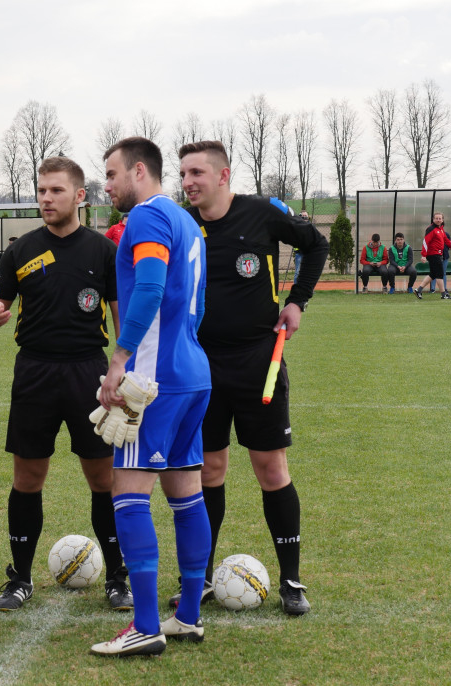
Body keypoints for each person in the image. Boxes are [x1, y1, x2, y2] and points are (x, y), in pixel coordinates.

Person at [177, 140, 328, 616]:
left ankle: (291, 581)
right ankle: (198, 579)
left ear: (223, 176)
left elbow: (316, 243)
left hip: (259, 361)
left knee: (271, 469)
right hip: (200, 365)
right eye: (182, 174)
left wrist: (298, 301)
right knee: (208, 470)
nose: (188, 182)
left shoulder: (262, 213)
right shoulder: (181, 225)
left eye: (197, 173)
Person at [0, 156, 132, 612]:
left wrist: (120, 366)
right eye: (42, 191)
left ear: (79, 196)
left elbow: (119, 310)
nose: (46, 199)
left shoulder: (103, 251)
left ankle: (118, 578)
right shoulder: (22, 249)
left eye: (56, 191)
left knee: (103, 478)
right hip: (35, 372)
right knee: (28, 477)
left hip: (90, 373)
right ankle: (20, 578)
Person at [86, 136, 212, 658]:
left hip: (155, 378)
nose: (107, 185)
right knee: (186, 492)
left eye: (112, 174)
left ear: (140, 171)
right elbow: (194, 302)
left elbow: (152, 288)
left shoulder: (145, 218)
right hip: (192, 371)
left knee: (128, 491)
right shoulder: (187, 221)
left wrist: (120, 360)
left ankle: (144, 625)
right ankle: (186, 617)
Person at [416, 212, 451, 300]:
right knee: (440, 274)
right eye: (436, 218)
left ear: (442, 220)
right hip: (433, 254)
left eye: (440, 218)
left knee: (433, 274)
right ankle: (443, 294)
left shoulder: (441, 229)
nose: (438, 220)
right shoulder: (431, 229)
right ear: (433, 219)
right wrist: (423, 255)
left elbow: (447, 241)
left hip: (438, 254)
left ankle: (418, 290)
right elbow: (425, 242)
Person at [292, 211, 310, 281]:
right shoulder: (297, 227)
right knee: (298, 272)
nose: (305, 217)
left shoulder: (311, 227)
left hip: (308, 254)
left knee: (308, 273)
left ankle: (308, 290)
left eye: (306, 215)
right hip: (299, 253)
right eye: (303, 216)